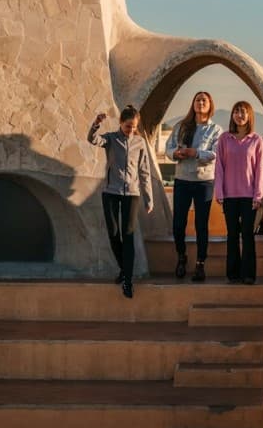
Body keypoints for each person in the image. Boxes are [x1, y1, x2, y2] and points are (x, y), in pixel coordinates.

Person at [88, 105, 154, 298]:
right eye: (127, 126)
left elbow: (144, 171)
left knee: (129, 235)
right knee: (114, 233)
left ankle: (128, 279)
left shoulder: (140, 142)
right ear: (121, 123)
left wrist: (149, 198)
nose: (131, 130)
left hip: (132, 194)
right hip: (111, 192)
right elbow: (92, 140)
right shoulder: (110, 138)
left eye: (134, 127)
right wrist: (96, 125)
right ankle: (124, 269)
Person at [164, 91, 222, 282]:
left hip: (204, 182)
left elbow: (214, 154)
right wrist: (177, 154)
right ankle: (181, 256)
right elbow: (168, 148)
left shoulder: (216, 130)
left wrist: (196, 153)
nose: (200, 103)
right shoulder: (182, 126)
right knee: (178, 223)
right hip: (182, 180)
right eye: (197, 99)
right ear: (193, 103)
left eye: (204, 100)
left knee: (201, 224)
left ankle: (200, 264)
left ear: (210, 105)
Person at [215, 100, 263, 285]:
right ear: (232, 115)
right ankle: (233, 273)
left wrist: (258, 195)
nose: (239, 115)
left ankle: (249, 274)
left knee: (248, 235)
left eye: (243, 112)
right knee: (232, 234)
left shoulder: (256, 140)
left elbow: (260, 170)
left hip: (249, 197)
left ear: (249, 115)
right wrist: (219, 192)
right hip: (229, 196)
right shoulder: (224, 139)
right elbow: (219, 166)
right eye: (236, 111)